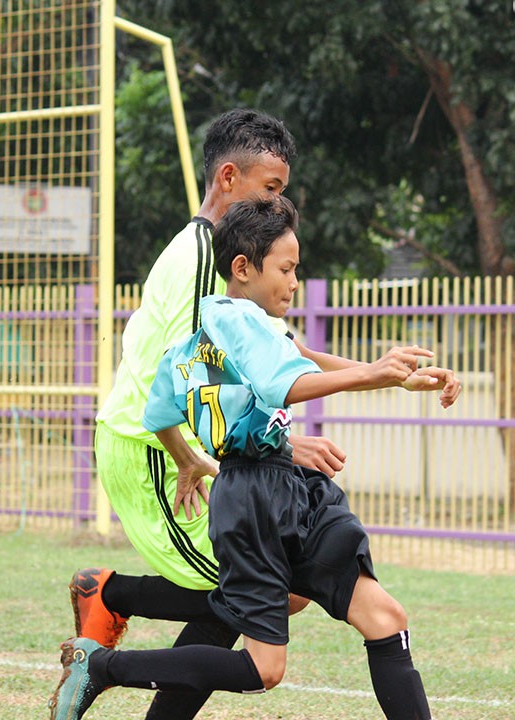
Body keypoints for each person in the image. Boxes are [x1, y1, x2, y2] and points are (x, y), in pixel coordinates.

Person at [65, 109, 460, 720]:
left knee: (320, 605)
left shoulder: (239, 286)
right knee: (237, 604)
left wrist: (393, 376)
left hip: (231, 463)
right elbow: (207, 377)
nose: (280, 201)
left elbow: (279, 355)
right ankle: (108, 607)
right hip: (154, 450)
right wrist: (251, 445)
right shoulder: (203, 261)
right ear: (229, 178)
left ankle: (110, 611)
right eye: (271, 188)